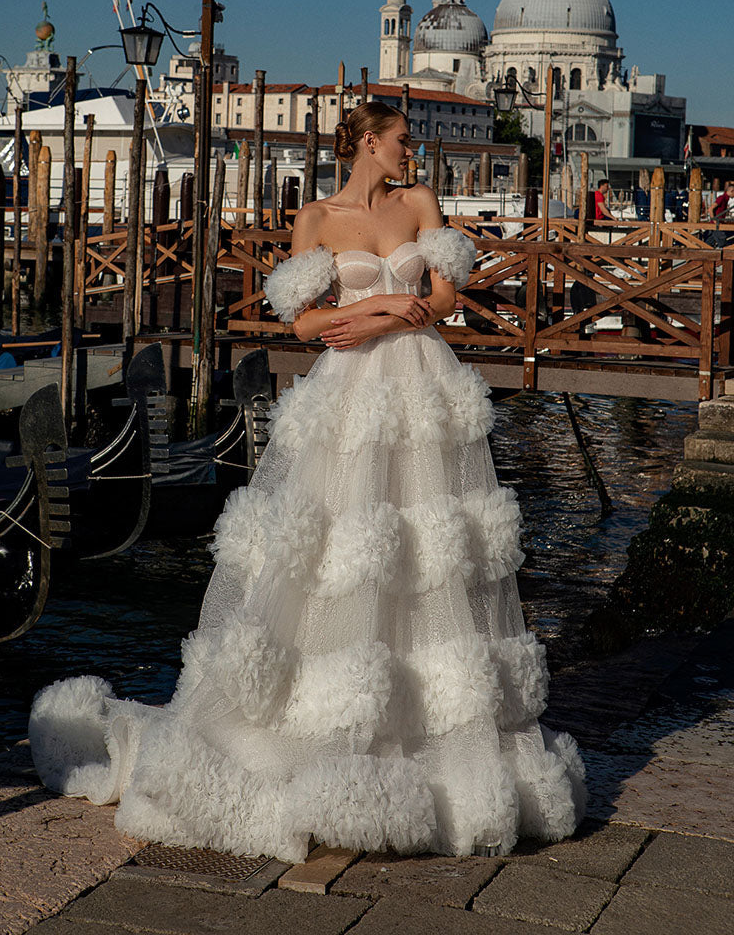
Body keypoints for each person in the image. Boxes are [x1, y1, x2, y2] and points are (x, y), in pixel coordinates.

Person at [29, 102, 585, 862]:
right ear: (367, 142)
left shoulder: (419, 204)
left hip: (420, 381)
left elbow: (448, 300)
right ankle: (329, 721)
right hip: (347, 394)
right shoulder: (317, 217)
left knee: (429, 552)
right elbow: (300, 323)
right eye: (399, 141)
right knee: (340, 548)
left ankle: (426, 726)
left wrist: (386, 314)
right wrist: (382, 302)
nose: (409, 153)